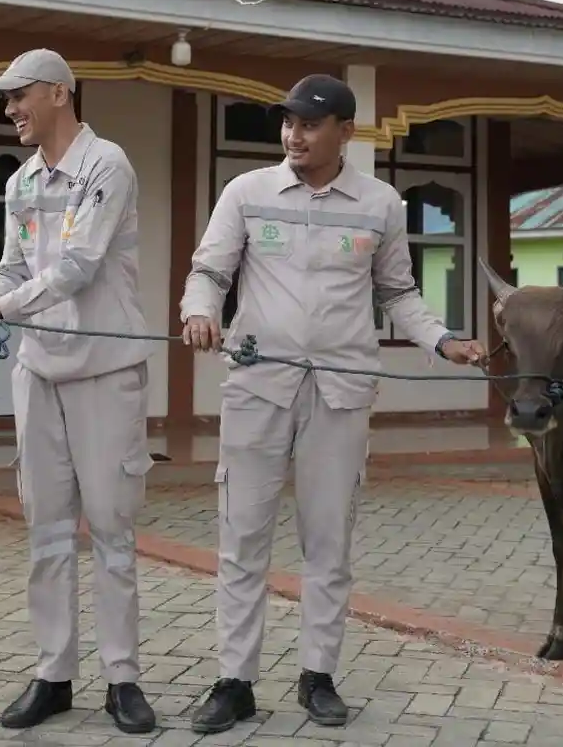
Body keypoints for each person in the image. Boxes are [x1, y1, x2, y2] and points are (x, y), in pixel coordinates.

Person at [179, 75, 486, 734]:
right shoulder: (247, 193)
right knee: (242, 536)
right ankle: (235, 682)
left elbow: (398, 293)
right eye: (288, 123)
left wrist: (442, 341)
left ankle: (318, 676)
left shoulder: (380, 205)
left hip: (340, 396)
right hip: (259, 389)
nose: (294, 135)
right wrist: (202, 313)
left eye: (310, 125)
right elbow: (210, 272)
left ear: (345, 132)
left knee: (328, 542)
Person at [0, 49, 157, 735]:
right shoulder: (23, 179)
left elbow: (81, 265)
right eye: (6, 100)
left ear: (60, 93)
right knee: (47, 531)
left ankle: (123, 678)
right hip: (39, 371)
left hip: (104, 370)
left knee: (113, 531)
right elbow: (12, 270)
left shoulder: (106, 164)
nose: (10, 111)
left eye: (19, 96)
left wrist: (3, 309)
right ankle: (53, 675)